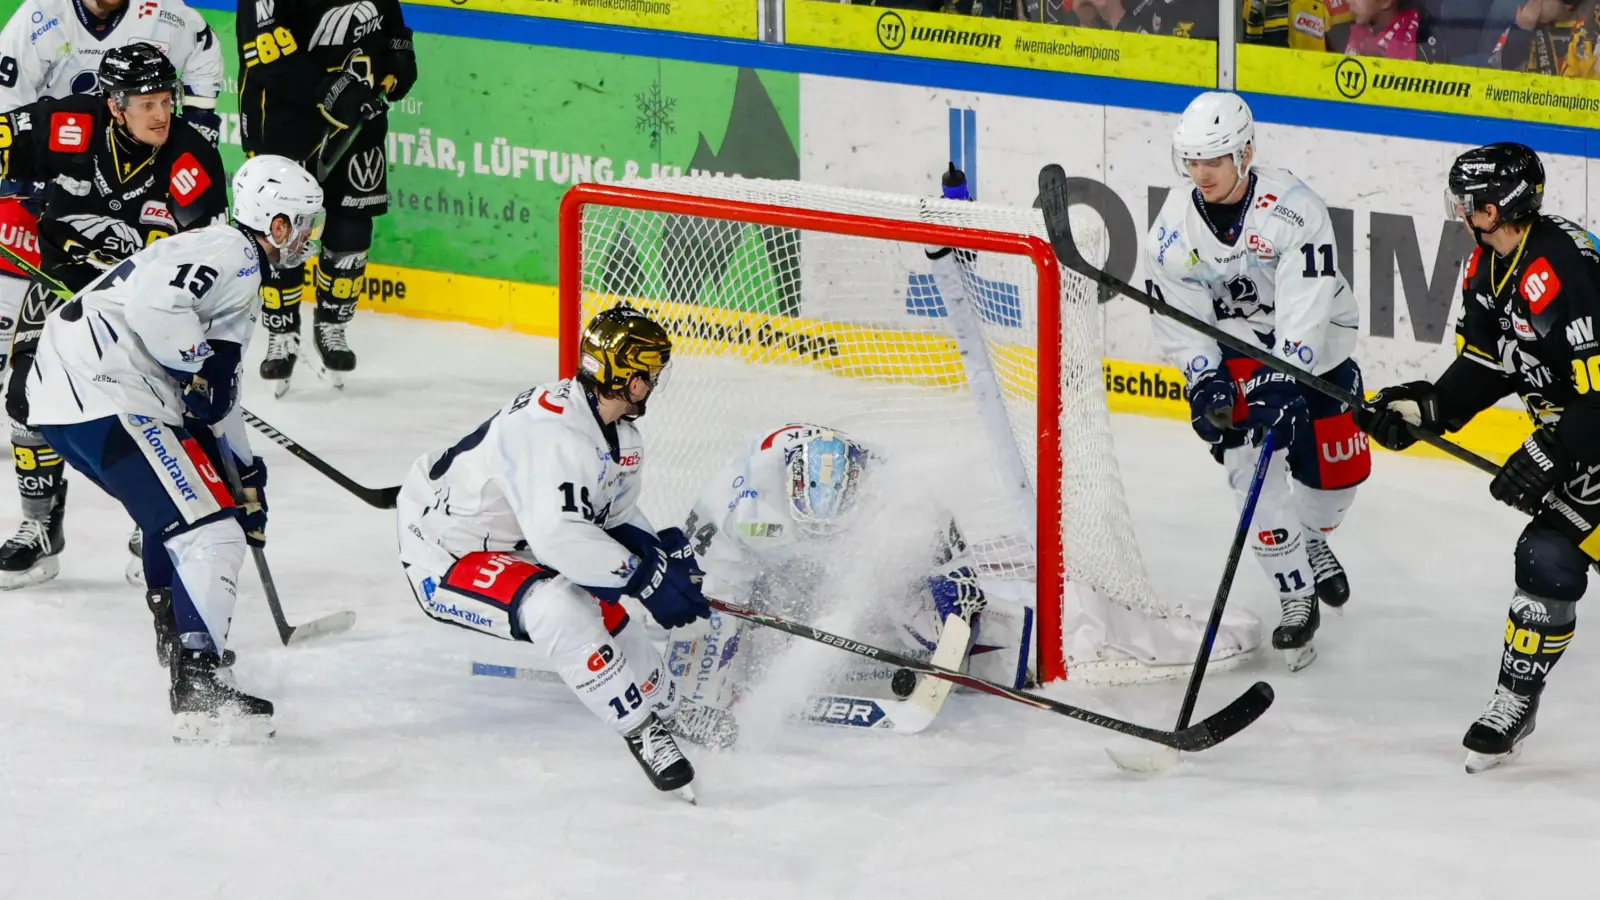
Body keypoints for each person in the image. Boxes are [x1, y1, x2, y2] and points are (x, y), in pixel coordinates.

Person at [24, 153, 323, 741]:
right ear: (276, 224)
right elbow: (155, 308)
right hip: (102, 389)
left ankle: (178, 631)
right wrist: (194, 368)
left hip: (80, 394)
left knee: (188, 513)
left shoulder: (232, 265)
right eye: (303, 224)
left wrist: (244, 471)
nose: (308, 240)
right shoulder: (231, 252)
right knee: (211, 529)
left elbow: (221, 392)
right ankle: (198, 679)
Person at [395, 305, 709, 801]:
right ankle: (641, 727)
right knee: (560, 606)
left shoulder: (619, 433)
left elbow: (613, 517)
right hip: (445, 549)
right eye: (649, 374)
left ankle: (669, 704)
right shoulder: (556, 434)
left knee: (603, 604)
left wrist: (661, 554)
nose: (654, 383)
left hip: (514, 538)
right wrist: (645, 579)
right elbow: (559, 537)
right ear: (624, 376)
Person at [1357, 143, 1600, 773]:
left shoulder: (1565, 271)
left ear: (1502, 206)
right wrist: (1428, 411)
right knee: (1545, 557)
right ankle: (1515, 702)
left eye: (1473, 203)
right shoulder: (1488, 267)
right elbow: (1488, 363)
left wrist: (1551, 450)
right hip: (1584, 445)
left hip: (1586, 436)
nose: (1463, 212)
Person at [1144, 91, 1367, 672]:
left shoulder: (1294, 211)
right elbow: (1177, 314)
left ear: (1245, 154)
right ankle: (1296, 598)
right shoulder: (1174, 228)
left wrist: (1285, 376)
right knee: (1248, 465)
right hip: (1237, 352)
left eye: (1213, 161)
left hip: (1317, 351)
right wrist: (1204, 381)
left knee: (1340, 470)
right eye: (1191, 161)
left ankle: (1314, 539)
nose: (1201, 174)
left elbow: (1308, 306)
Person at [0, 43, 229, 592]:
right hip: (63, 290)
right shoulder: (66, 122)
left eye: (166, 99)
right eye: (146, 102)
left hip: (143, 309)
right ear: (114, 103)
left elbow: (211, 259)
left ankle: (149, 521)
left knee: (156, 411)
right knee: (25, 399)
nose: (161, 113)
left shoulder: (189, 159)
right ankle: (39, 523)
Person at [662, 423, 1036, 748]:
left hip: (843, 574)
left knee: (920, 611)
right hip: (768, 572)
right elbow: (705, 581)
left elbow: (951, 559)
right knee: (718, 638)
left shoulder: (890, 484)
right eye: (811, 526)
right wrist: (702, 685)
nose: (819, 535)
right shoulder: (741, 496)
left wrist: (957, 589)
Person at [236, 0, 418, 393]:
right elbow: (266, 52)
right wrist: (336, 90)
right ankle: (280, 329)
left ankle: (333, 324)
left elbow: (386, 14)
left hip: (359, 111)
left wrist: (400, 51)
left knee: (352, 226)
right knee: (280, 231)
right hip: (284, 117)